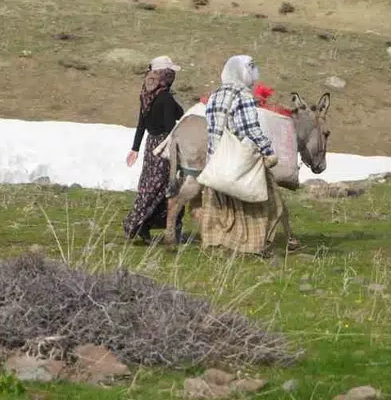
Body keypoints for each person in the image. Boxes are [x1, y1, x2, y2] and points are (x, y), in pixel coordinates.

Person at [200, 55, 285, 256]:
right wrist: (268, 151)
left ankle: (220, 245)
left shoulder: (215, 95)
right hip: (239, 162)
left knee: (224, 207)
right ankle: (251, 246)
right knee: (267, 202)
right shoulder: (243, 95)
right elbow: (250, 128)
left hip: (216, 161)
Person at [122, 56, 185, 244]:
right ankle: (136, 223)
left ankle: (144, 226)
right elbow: (171, 125)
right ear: (166, 75)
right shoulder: (165, 97)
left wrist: (135, 148)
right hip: (164, 146)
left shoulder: (146, 94)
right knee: (163, 187)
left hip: (151, 144)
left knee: (149, 185)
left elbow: (141, 124)